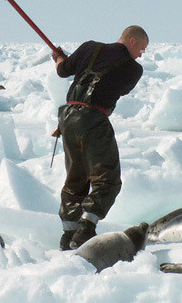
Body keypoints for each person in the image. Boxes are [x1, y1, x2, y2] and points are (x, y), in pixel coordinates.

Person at [52, 25, 148, 250]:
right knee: (108, 179)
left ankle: (68, 235)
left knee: (76, 178)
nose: (142, 54)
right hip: (93, 119)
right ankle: (86, 229)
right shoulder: (134, 70)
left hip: (68, 117)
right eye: (142, 48)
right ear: (132, 41)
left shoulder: (89, 48)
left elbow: (63, 70)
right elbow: (114, 89)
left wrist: (58, 57)